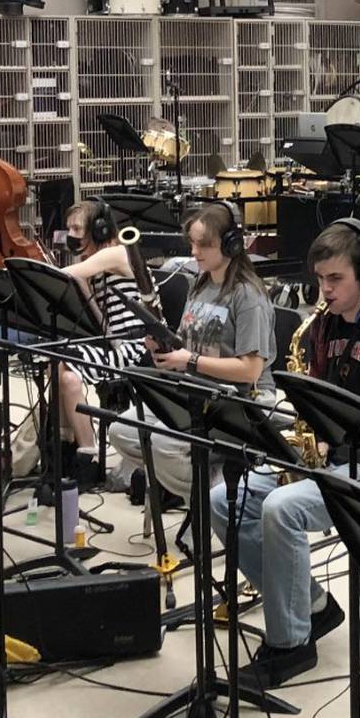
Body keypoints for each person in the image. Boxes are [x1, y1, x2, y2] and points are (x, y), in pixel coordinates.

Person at [207, 218, 360, 686]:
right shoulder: (320, 328)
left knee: (280, 508)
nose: (324, 290)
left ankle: (290, 646)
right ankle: (311, 603)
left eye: (336, 280)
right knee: (223, 500)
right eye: (319, 279)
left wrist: (343, 427)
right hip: (330, 457)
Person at [105, 202, 276, 500]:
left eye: (204, 245)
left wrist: (191, 360)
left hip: (238, 402)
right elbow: (186, 342)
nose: (194, 252)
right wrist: (164, 347)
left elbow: (250, 370)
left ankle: (217, 500)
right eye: (192, 243)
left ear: (231, 245)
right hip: (195, 392)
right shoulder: (201, 283)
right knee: (122, 431)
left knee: (162, 444)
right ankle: (203, 490)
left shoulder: (248, 296)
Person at [54, 200, 151, 481]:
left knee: (68, 372)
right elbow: (101, 323)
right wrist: (85, 290)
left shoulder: (116, 254)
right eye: (68, 228)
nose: (71, 235)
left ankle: (87, 455)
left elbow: (61, 275)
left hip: (137, 346)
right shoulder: (93, 266)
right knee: (57, 363)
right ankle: (65, 447)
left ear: (98, 230)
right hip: (116, 343)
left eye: (77, 228)